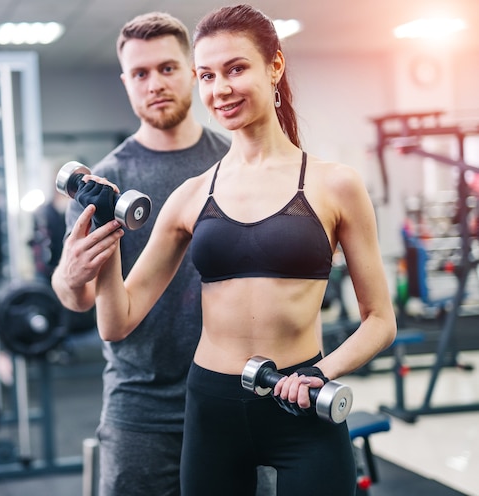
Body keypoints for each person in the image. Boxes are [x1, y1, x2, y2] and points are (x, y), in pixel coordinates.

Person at [78, 4, 398, 496]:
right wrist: (105, 233)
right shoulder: (191, 195)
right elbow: (116, 321)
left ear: (275, 66)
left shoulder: (335, 185)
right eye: (206, 75)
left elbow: (380, 320)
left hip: (302, 402)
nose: (219, 89)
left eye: (236, 69)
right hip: (212, 407)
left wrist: (321, 372)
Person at [51, 12, 230, 496]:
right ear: (126, 82)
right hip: (141, 404)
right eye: (140, 74)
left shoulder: (235, 165)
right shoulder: (102, 183)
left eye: (167, 68)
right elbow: (78, 299)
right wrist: (68, 277)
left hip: (232, 397)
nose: (155, 84)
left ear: (193, 70)